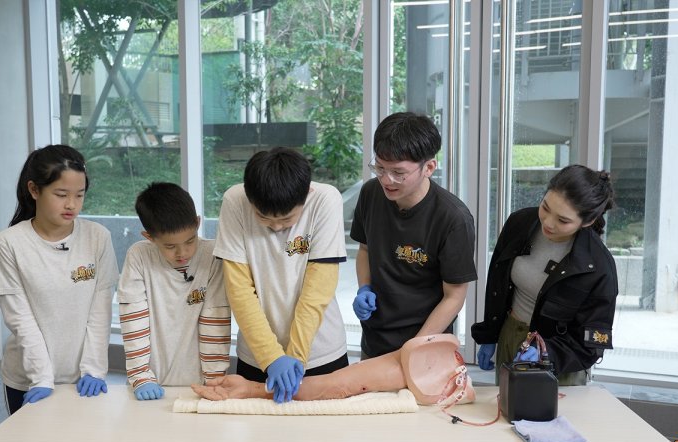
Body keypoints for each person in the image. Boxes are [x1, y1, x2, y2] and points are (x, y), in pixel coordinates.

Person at [214, 147, 348, 403]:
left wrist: (295, 357)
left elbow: (317, 292)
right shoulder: (235, 201)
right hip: (257, 356)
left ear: (307, 194)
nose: (276, 227)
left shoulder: (325, 200)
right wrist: (271, 357)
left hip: (321, 354)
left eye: (287, 220)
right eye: (262, 217)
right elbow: (239, 291)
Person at [0, 145, 119, 415]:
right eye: (61, 195)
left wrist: (94, 369)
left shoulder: (98, 237)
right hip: (28, 378)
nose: (71, 204)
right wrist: (41, 377)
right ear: (34, 190)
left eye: (79, 195)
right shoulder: (9, 243)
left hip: (83, 380)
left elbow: (100, 312)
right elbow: (20, 319)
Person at [471, 164, 618, 385]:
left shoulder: (597, 267)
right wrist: (490, 334)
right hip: (510, 335)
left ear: (587, 221)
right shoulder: (519, 224)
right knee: (506, 405)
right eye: (545, 207)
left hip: (559, 361)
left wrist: (545, 352)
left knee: (547, 408)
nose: (548, 222)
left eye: (563, 220)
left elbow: (590, 347)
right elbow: (497, 281)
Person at [350, 112, 478, 359]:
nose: (387, 180)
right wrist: (364, 287)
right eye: (380, 168)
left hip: (425, 345)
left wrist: (413, 349)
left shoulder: (453, 218)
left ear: (428, 167)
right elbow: (365, 249)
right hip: (375, 340)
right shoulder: (370, 194)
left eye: (398, 172)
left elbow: (454, 296)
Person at [118, 182, 231, 401]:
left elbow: (216, 320)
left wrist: (215, 379)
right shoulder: (139, 257)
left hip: (201, 383)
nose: (183, 252)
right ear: (149, 237)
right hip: (150, 378)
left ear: (197, 223)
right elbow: (133, 321)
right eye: (170, 246)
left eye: (190, 241)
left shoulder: (212, 256)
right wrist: (140, 375)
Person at [192, 334, 474, 407]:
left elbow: (340, 385)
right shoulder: (416, 358)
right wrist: (251, 389)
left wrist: (252, 389)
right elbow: (339, 385)